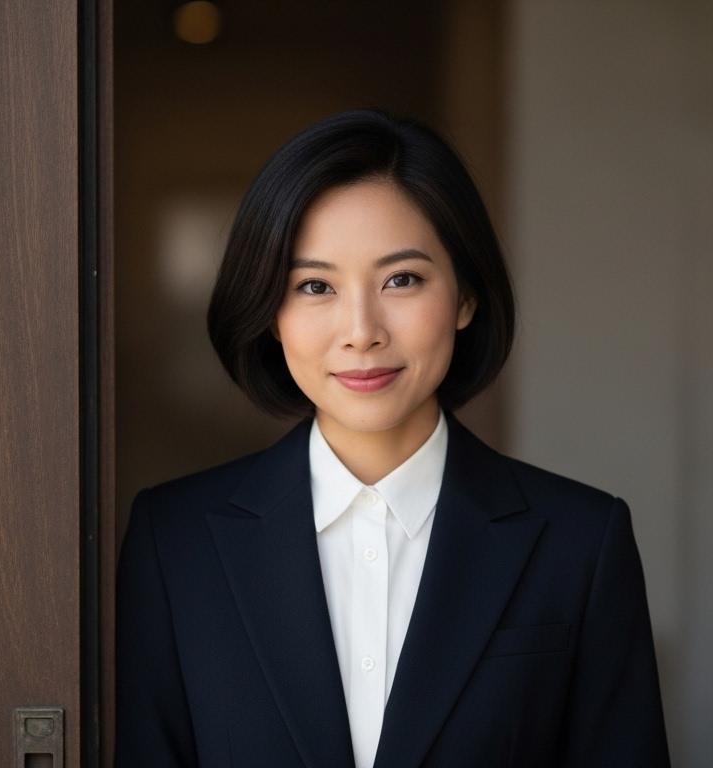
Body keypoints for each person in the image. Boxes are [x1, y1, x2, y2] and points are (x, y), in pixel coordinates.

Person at [115, 110, 670, 768]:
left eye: (401, 279)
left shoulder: (581, 541)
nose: (361, 330)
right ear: (271, 313)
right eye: (314, 286)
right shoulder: (175, 541)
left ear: (465, 295)